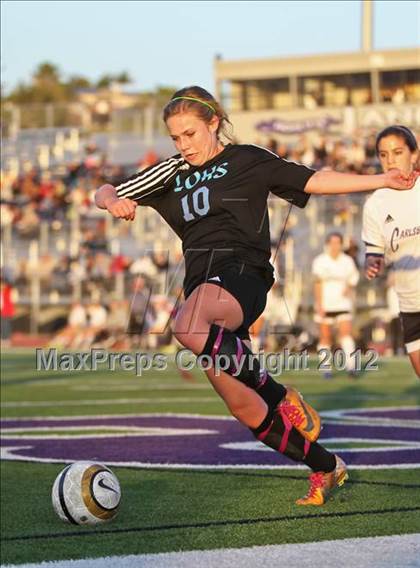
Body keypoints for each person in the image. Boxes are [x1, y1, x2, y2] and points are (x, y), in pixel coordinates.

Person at [95, 86, 417, 506]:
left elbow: (314, 180)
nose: (183, 144)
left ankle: (281, 394)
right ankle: (326, 467)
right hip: (203, 290)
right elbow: (106, 189)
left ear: (214, 122)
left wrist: (381, 178)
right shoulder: (170, 172)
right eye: (175, 137)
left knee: (187, 325)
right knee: (243, 408)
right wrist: (111, 200)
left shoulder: (248, 159)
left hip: (244, 275)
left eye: (190, 133)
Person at [362, 125, 420, 377]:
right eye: (384, 154)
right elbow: (374, 252)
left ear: (414, 154)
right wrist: (373, 263)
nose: (390, 160)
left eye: (397, 152)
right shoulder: (375, 204)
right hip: (410, 305)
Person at [312, 232, 360, 379]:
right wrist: (319, 304)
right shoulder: (320, 261)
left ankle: (351, 367)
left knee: (346, 334)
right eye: (332, 243)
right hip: (326, 304)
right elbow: (317, 283)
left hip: (343, 304)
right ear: (327, 244)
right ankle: (326, 369)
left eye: (338, 243)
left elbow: (353, 279)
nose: (335, 246)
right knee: (325, 337)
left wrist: (348, 288)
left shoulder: (347, 261)